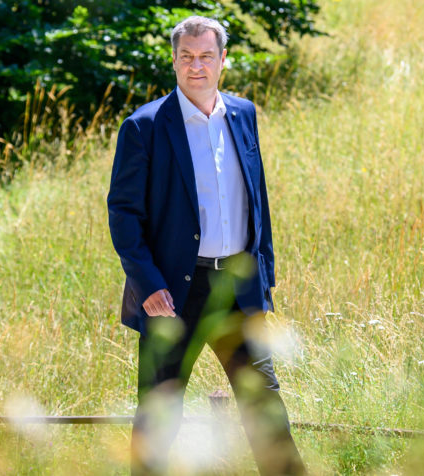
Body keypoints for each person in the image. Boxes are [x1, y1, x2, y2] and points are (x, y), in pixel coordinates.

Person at [107, 15, 305, 475]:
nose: (197, 66)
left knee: (265, 406)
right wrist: (148, 285)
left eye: (206, 57)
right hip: (172, 294)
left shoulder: (243, 114)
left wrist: (264, 282)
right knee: (160, 413)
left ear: (223, 61)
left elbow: (258, 202)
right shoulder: (145, 126)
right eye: (187, 57)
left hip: (237, 287)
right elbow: (123, 215)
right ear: (174, 62)